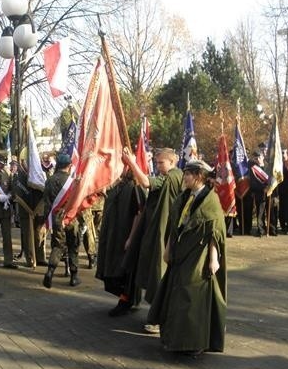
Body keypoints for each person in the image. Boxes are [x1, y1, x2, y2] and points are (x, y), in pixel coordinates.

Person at [147, 160, 227, 356]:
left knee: (193, 297)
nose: (185, 178)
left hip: (199, 256)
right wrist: (168, 249)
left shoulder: (211, 200)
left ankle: (195, 342)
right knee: (176, 295)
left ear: (199, 176)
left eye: (188, 174)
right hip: (180, 254)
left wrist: (213, 259)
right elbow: (174, 225)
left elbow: (215, 232)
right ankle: (175, 338)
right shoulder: (184, 197)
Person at [121, 147, 183, 322]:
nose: (158, 165)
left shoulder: (172, 177)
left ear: (172, 162)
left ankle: (158, 316)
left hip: (164, 232)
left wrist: (132, 162)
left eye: (161, 162)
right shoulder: (172, 176)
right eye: (156, 162)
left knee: (159, 270)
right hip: (157, 230)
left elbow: (146, 183)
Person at [95, 171, 144, 316]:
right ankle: (131, 299)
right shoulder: (115, 185)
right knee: (109, 270)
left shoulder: (134, 186)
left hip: (124, 235)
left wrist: (131, 237)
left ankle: (126, 301)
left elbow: (139, 212)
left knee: (121, 272)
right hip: (111, 235)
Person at [42, 153, 79, 287]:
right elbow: (77, 202)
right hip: (71, 218)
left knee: (58, 246)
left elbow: (46, 203)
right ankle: (74, 277)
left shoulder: (49, 180)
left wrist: (48, 221)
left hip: (56, 218)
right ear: (69, 166)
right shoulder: (73, 182)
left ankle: (50, 272)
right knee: (73, 246)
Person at [11, 151, 45, 268]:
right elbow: (16, 194)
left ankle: (40, 257)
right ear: (22, 163)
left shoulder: (38, 174)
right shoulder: (18, 177)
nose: (29, 164)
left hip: (38, 209)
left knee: (39, 235)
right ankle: (30, 258)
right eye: (26, 162)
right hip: (25, 211)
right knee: (28, 236)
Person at [248, 151, 270, 237]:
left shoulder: (268, 168)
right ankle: (261, 230)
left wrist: (268, 188)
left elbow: (271, 180)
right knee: (260, 213)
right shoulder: (254, 169)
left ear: (263, 157)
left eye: (259, 158)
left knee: (270, 213)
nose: (257, 160)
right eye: (256, 158)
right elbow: (253, 183)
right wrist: (262, 188)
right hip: (259, 193)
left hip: (269, 193)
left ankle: (271, 229)